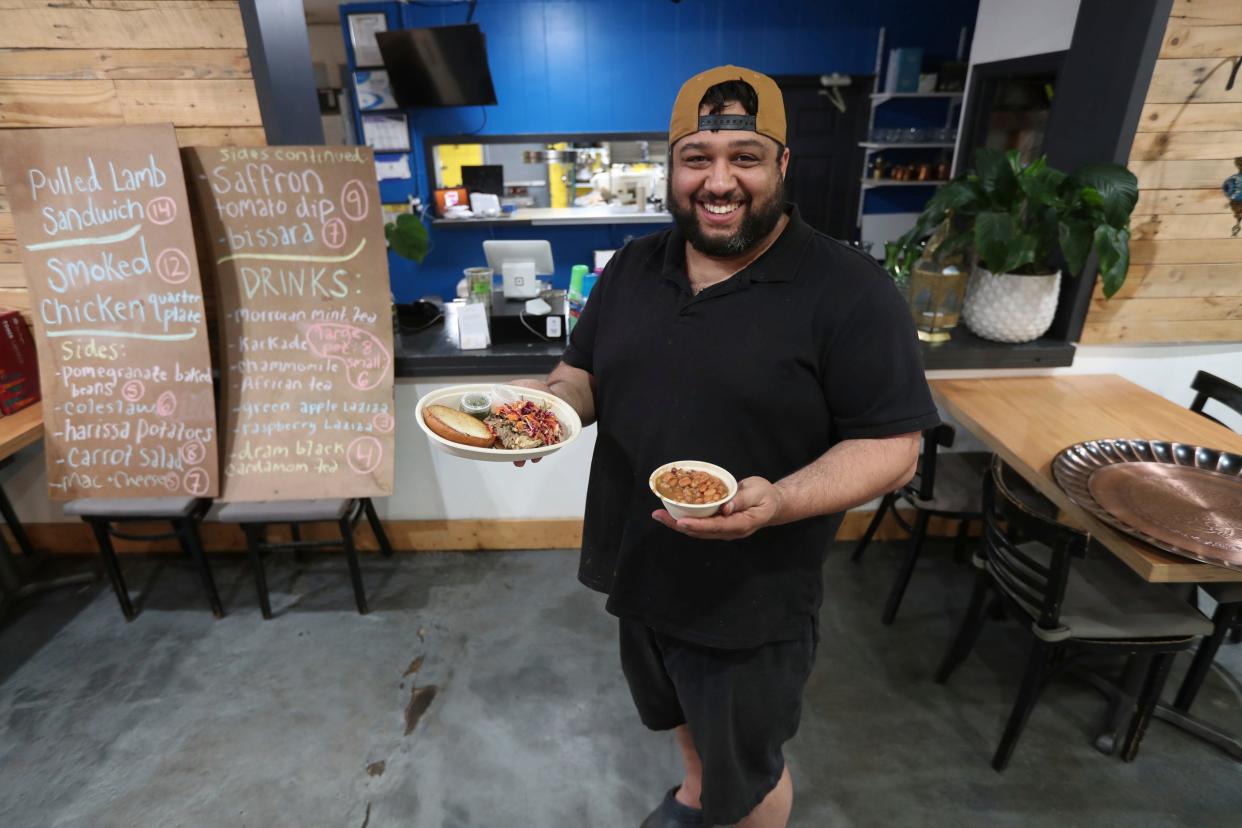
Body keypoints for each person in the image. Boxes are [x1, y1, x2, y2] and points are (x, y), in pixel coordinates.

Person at [514, 65, 939, 827]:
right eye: (697, 158)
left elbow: (893, 449)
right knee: (687, 734)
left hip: (751, 596)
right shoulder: (633, 267)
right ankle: (693, 796)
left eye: (744, 156)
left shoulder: (848, 289)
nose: (719, 181)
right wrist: (543, 411)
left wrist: (776, 501)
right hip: (636, 566)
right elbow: (580, 375)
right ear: (671, 167)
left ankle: (722, 804)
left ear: (781, 165)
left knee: (749, 774)